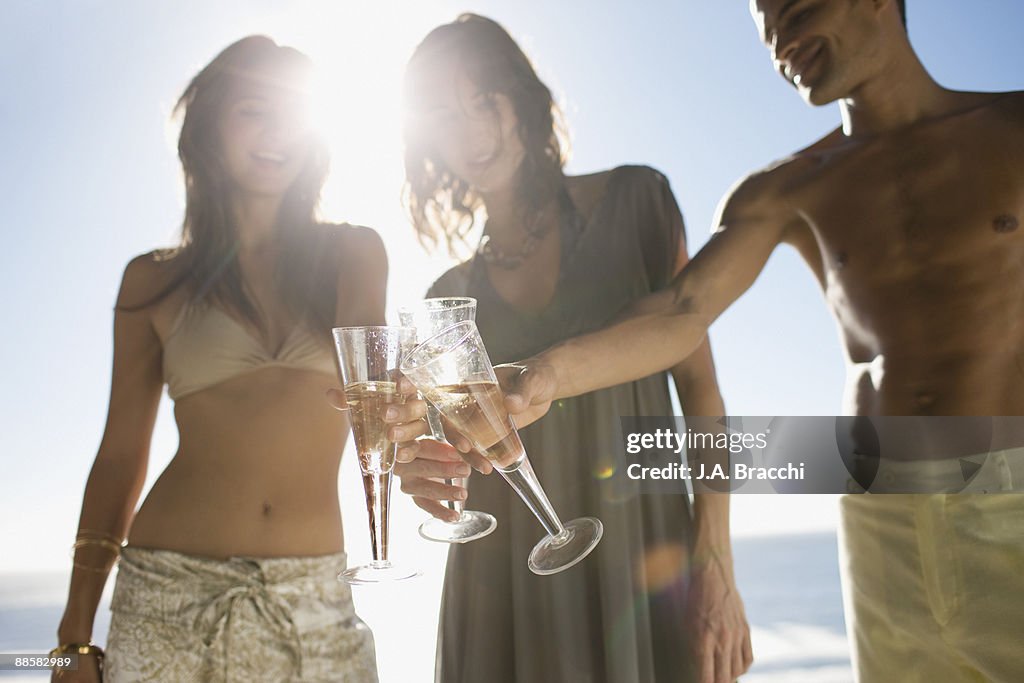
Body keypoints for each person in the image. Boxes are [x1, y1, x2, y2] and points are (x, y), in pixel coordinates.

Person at [487, 1, 1024, 681]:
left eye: (797, 11)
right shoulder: (784, 188)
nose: (783, 45)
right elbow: (684, 307)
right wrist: (545, 373)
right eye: (769, 30)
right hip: (880, 515)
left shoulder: (1011, 127)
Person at [394, 14, 752, 683]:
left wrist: (717, 560)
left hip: (644, 559)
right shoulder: (446, 295)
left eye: (485, 101)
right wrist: (418, 470)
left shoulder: (638, 202)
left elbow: (704, 396)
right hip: (500, 586)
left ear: (523, 101)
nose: (471, 130)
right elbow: (448, 457)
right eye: (445, 114)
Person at [52, 36, 384, 682]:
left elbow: (378, 396)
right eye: (253, 110)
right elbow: (120, 457)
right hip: (167, 598)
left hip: (314, 605)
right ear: (209, 131)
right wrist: (73, 635)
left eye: (291, 112)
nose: (276, 131)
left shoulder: (353, 255)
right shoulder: (151, 281)